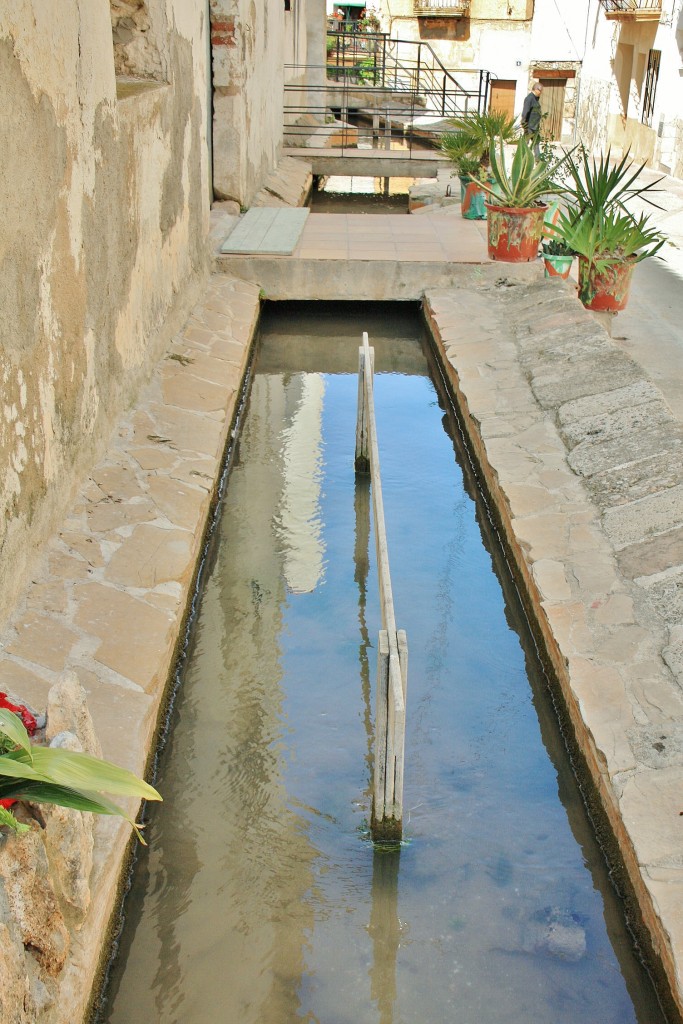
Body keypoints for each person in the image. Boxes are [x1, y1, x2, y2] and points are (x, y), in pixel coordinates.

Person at [521, 82, 543, 159]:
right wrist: (524, 124)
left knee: (536, 143)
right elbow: (525, 112)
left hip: (535, 127)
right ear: (537, 89)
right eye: (541, 91)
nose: (541, 93)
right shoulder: (529, 98)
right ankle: (522, 160)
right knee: (525, 144)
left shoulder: (535, 99)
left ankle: (538, 160)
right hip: (529, 127)